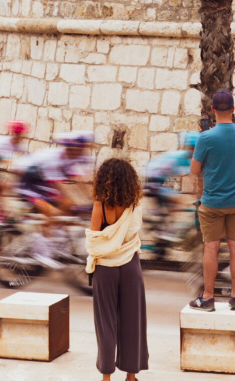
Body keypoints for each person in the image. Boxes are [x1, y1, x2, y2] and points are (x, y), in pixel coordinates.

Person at [87, 157, 148, 381]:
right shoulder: (134, 205)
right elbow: (133, 233)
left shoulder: (100, 205)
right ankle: (131, 377)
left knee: (106, 324)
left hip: (105, 269)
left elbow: (94, 240)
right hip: (131, 266)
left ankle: (106, 378)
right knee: (133, 321)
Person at [189, 89, 235, 311]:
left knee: (211, 248)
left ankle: (207, 297)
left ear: (212, 109)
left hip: (213, 203)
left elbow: (194, 169)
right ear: (233, 109)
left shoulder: (205, 138)